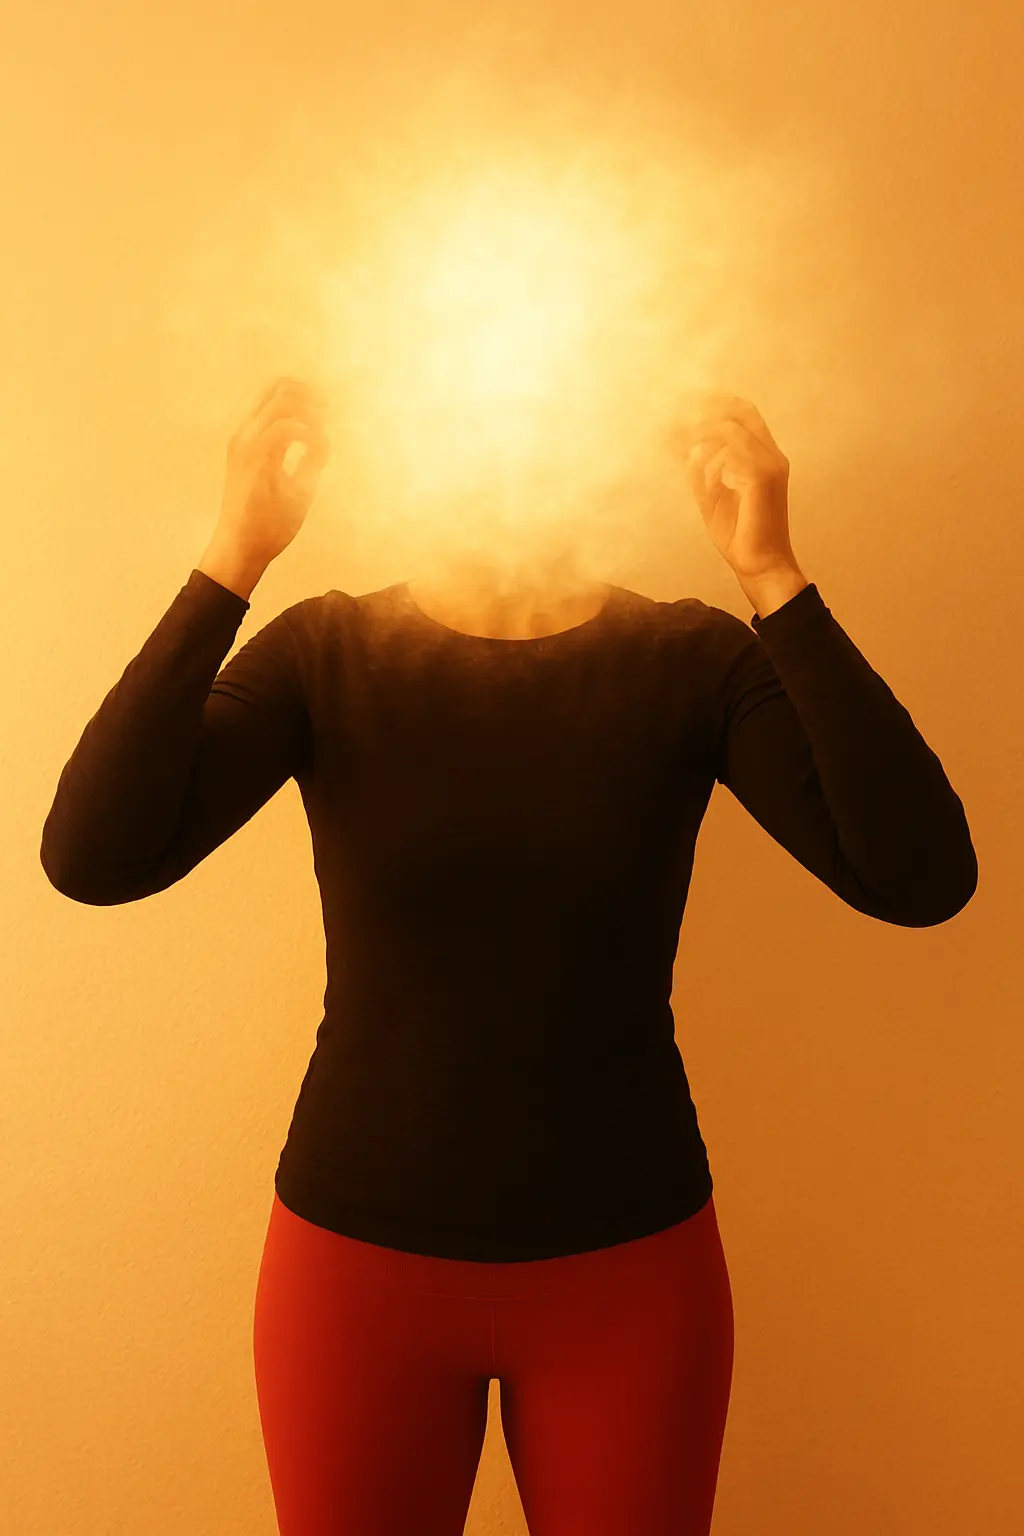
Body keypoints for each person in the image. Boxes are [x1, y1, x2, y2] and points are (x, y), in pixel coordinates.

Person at [41, 376, 977, 1536]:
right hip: (356, 1274)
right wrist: (235, 556)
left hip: (629, 1277)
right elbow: (94, 856)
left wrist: (772, 576)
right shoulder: (326, 651)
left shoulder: (689, 658)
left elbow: (918, 879)